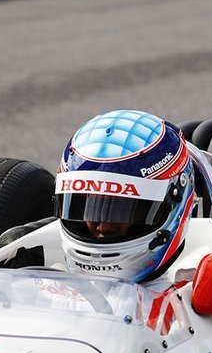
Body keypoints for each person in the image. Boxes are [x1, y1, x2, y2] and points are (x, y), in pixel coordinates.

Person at [55, 109, 197, 283]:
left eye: (119, 212)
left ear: (172, 201)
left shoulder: (206, 278)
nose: (103, 228)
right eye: (88, 208)